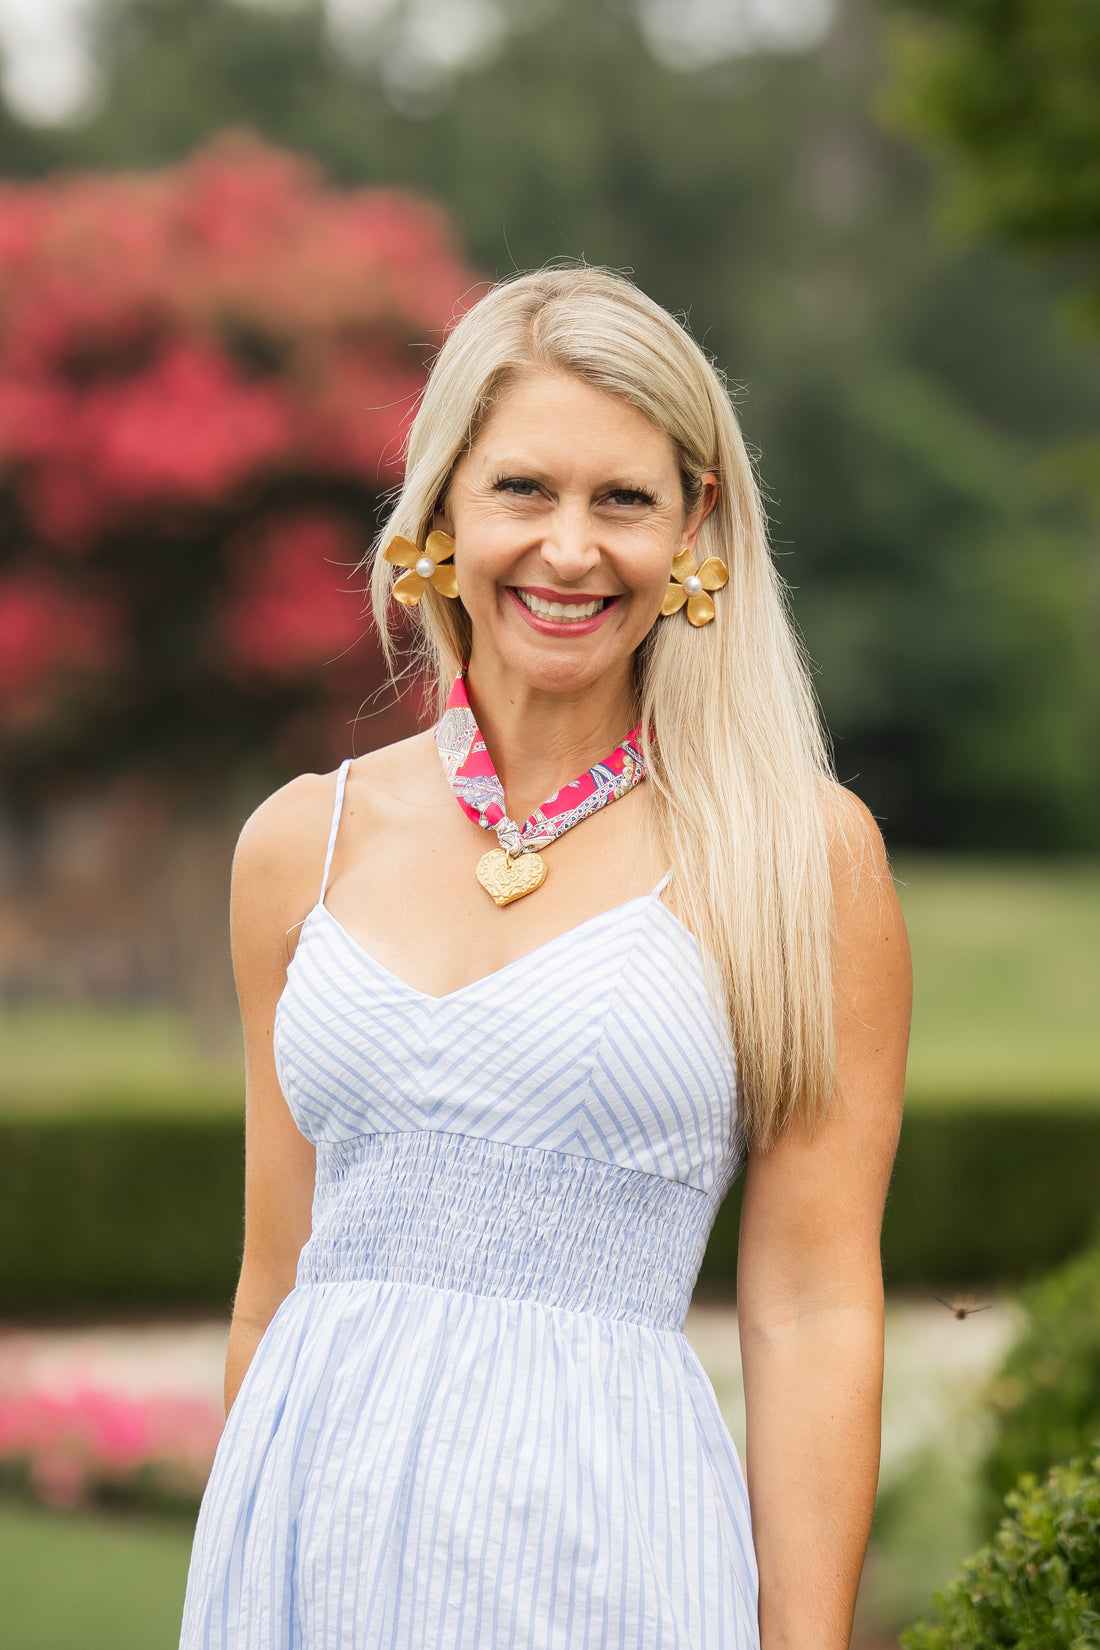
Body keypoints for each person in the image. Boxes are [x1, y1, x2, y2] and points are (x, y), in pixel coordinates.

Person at [179, 266, 910, 1650]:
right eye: (524, 489)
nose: (569, 550)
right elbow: (275, 1282)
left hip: (606, 1542)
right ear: (445, 497)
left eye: (622, 500)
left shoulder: (800, 855)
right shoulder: (298, 843)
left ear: (696, 522)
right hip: (305, 1544)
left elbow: (814, 1307)